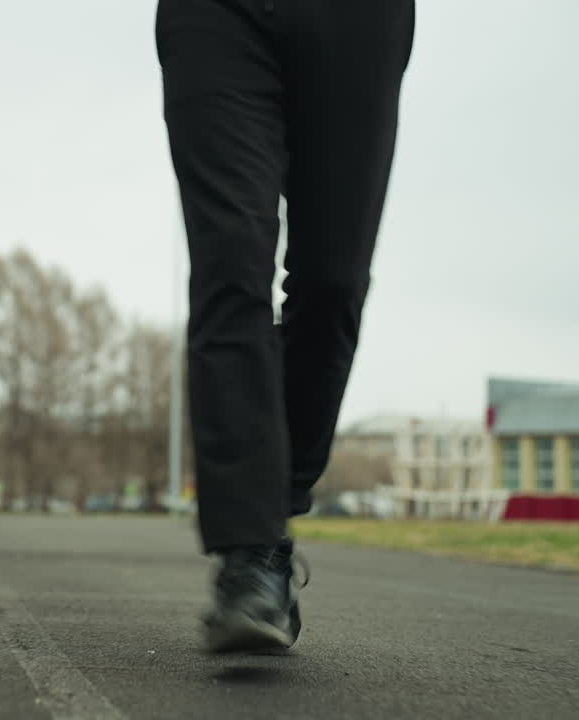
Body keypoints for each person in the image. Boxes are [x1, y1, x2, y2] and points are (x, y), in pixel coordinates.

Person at [155, 0, 414, 653]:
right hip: (214, 16)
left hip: (356, 20)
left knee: (334, 282)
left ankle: (276, 493)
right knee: (231, 265)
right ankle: (252, 554)